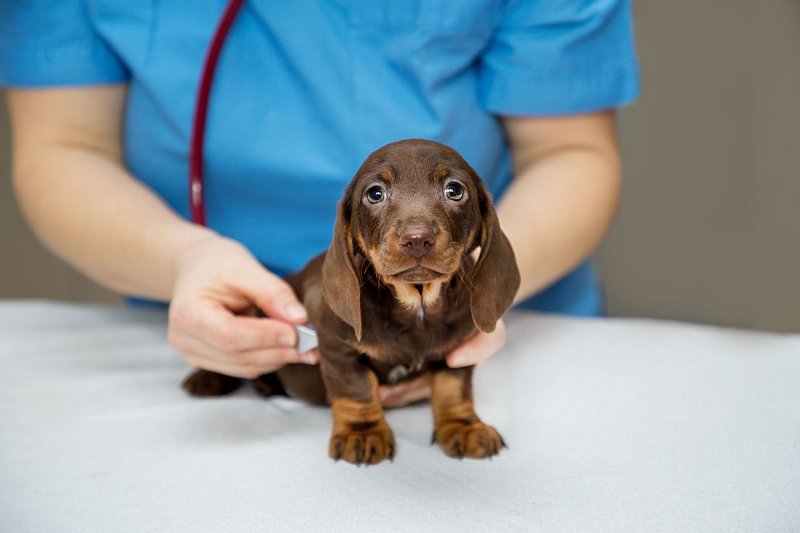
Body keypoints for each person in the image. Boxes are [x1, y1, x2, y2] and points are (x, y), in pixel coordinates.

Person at [1, 1, 638, 406]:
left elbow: (569, 151)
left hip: (481, 330)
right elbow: (62, 146)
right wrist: (181, 259)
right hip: (210, 337)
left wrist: (476, 295)